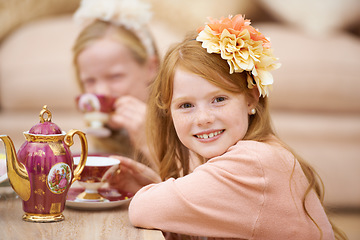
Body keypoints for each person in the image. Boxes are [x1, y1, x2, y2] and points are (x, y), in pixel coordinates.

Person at [119, 15, 348, 240]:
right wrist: (158, 185)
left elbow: (143, 209)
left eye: (219, 99)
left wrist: (155, 193)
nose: (203, 118)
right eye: (186, 105)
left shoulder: (255, 162)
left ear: (251, 99)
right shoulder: (245, 156)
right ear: (169, 113)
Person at [72, 0, 159, 169]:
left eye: (115, 77)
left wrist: (151, 143)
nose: (101, 91)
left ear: (151, 67)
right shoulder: (107, 134)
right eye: (90, 80)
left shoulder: (181, 121)